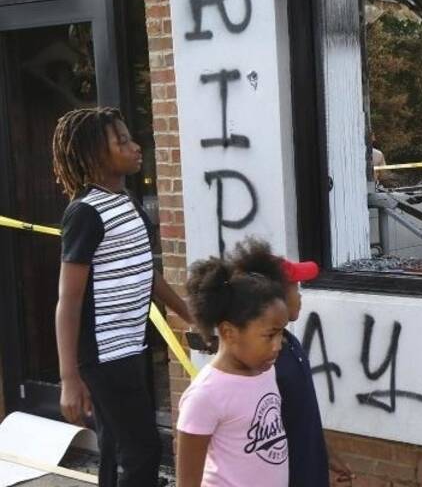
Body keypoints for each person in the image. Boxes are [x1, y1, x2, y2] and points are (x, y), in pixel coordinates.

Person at [53, 107, 193, 487]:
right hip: (103, 355)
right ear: (97, 154)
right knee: (143, 450)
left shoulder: (126, 201)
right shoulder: (85, 213)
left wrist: (185, 311)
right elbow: (68, 301)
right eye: (123, 142)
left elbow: (144, 269)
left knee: (116, 445)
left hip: (130, 345)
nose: (135, 147)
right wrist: (69, 378)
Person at [230, 239, 353, 486]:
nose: (300, 296)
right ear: (275, 298)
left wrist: (327, 455)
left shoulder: (290, 343)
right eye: (296, 288)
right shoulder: (263, 361)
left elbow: (301, 412)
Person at [176, 252, 290, 487]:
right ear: (229, 332)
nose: (278, 345)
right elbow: (187, 481)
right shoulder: (205, 395)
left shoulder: (267, 370)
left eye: (281, 334)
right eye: (270, 335)